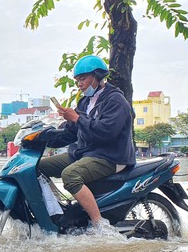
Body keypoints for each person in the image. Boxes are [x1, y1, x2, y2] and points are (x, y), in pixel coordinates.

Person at [38, 55, 136, 226]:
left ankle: (99, 223)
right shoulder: (85, 102)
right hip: (85, 154)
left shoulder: (115, 100)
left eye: (82, 79)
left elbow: (107, 132)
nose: (79, 84)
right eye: (77, 81)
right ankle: (57, 210)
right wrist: (43, 138)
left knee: (70, 175)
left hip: (110, 156)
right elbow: (71, 133)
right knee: (38, 167)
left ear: (97, 76)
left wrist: (76, 119)